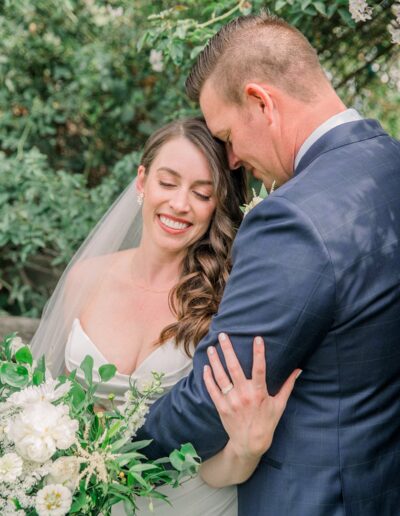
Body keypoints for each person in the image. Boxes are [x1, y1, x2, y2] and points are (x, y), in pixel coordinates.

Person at [135, 12, 400, 516]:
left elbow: (216, 395)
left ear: (261, 102)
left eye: (228, 135)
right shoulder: (390, 165)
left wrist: (109, 451)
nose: (230, 159)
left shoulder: (293, 217)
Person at [31, 117, 298, 515]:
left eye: (201, 193)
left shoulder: (228, 301)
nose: (179, 204)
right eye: (168, 183)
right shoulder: (84, 279)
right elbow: (45, 406)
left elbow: (217, 468)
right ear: (142, 181)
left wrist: (246, 450)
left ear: (217, 205)